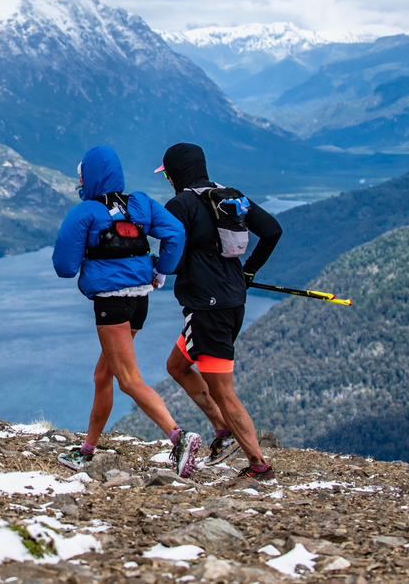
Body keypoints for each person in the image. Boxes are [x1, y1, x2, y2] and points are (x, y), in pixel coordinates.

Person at [52, 145, 200, 477]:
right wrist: (162, 270)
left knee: (129, 380)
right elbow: (175, 232)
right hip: (139, 301)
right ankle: (87, 449)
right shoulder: (141, 203)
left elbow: (64, 265)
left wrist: (87, 261)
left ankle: (179, 437)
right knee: (103, 375)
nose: (79, 181)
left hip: (111, 303)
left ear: (89, 176)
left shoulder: (86, 212)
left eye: (81, 176)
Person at [157, 142, 282, 480]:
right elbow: (272, 230)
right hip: (231, 300)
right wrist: (249, 272)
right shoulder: (228, 196)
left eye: (167, 173)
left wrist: (154, 267)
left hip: (206, 308)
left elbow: (176, 259)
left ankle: (259, 465)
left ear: (173, 174)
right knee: (178, 365)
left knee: (224, 391)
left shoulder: (179, 205)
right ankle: (223, 432)